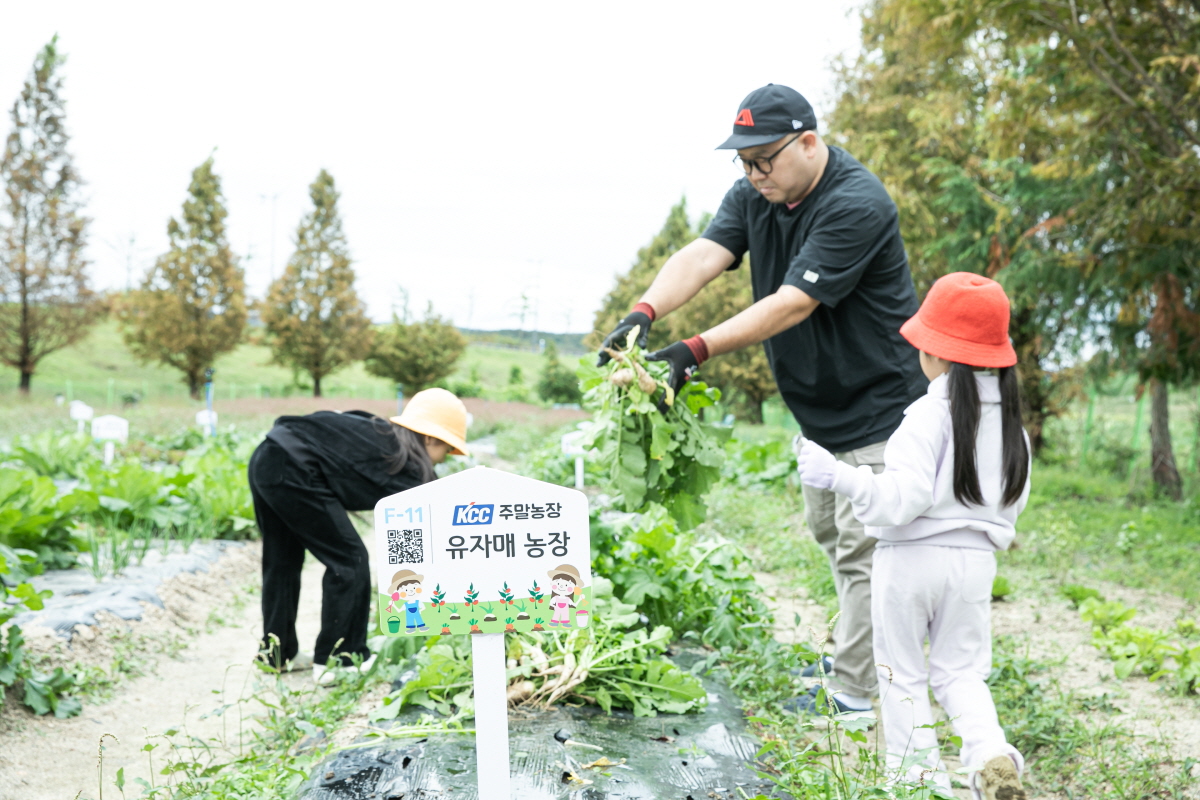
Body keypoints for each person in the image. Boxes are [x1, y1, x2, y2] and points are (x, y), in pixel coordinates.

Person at [597, 83, 926, 714]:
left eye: (763, 160)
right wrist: (645, 312)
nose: (753, 174)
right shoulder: (757, 190)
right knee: (835, 539)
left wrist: (691, 352)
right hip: (820, 415)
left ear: (808, 142)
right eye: (742, 162)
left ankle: (858, 692)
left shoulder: (856, 202)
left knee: (868, 553)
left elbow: (792, 303)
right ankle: (861, 656)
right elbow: (704, 254)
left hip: (880, 409)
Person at [796, 273, 1030, 799]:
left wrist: (839, 475)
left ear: (936, 354)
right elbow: (1013, 500)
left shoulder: (927, 414)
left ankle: (919, 785)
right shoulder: (1012, 426)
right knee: (960, 674)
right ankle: (989, 750)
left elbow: (903, 498)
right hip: (975, 566)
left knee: (901, 675)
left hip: (909, 562)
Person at [247, 388, 469, 684]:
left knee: (282, 561)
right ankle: (339, 661)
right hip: (293, 468)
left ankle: (278, 654)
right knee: (349, 561)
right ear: (429, 438)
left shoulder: (380, 435)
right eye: (446, 449)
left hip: (267, 457)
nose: (442, 460)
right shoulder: (407, 463)